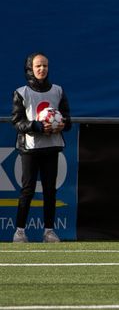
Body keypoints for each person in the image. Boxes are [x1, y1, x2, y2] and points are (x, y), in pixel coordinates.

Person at [11, 52, 71, 243]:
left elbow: (67, 118)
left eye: (45, 66)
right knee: (27, 189)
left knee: (50, 190)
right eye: (38, 66)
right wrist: (36, 126)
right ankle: (19, 232)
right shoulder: (22, 93)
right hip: (30, 148)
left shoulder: (58, 91)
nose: (42, 69)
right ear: (30, 69)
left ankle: (49, 231)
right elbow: (17, 121)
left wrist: (63, 124)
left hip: (51, 147)